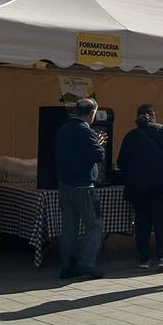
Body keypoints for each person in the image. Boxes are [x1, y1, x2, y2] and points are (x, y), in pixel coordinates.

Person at [117, 104, 163, 270]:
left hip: (138, 185)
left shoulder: (130, 136)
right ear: (153, 116)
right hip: (160, 182)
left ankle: (144, 258)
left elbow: (121, 162)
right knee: (161, 221)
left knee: (141, 221)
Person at [54, 98, 107, 279]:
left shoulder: (63, 129)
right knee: (94, 225)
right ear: (92, 113)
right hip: (83, 186)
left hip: (65, 184)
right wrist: (99, 143)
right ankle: (87, 264)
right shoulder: (85, 131)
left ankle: (68, 265)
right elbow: (98, 155)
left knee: (69, 227)